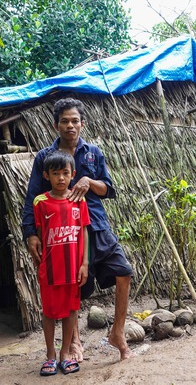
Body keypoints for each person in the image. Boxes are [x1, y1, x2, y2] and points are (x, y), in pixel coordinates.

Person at [22, 98, 134, 362]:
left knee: (124, 272)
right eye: (64, 121)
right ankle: (73, 342)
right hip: (63, 235)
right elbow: (32, 198)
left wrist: (88, 181)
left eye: (75, 121)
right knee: (71, 287)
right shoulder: (45, 158)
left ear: (82, 124)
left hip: (96, 225)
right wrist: (31, 233)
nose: (70, 126)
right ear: (55, 125)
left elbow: (109, 189)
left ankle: (118, 333)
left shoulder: (94, 152)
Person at [33, 150, 90, 376]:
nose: (61, 178)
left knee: (71, 310)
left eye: (65, 173)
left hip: (73, 268)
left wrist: (84, 263)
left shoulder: (79, 200)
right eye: (55, 173)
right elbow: (39, 237)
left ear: (73, 174)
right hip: (50, 269)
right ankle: (50, 355)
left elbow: (84, 232)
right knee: (49, 312)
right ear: (46, 175)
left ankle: (65, 353)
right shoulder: (41, 202)